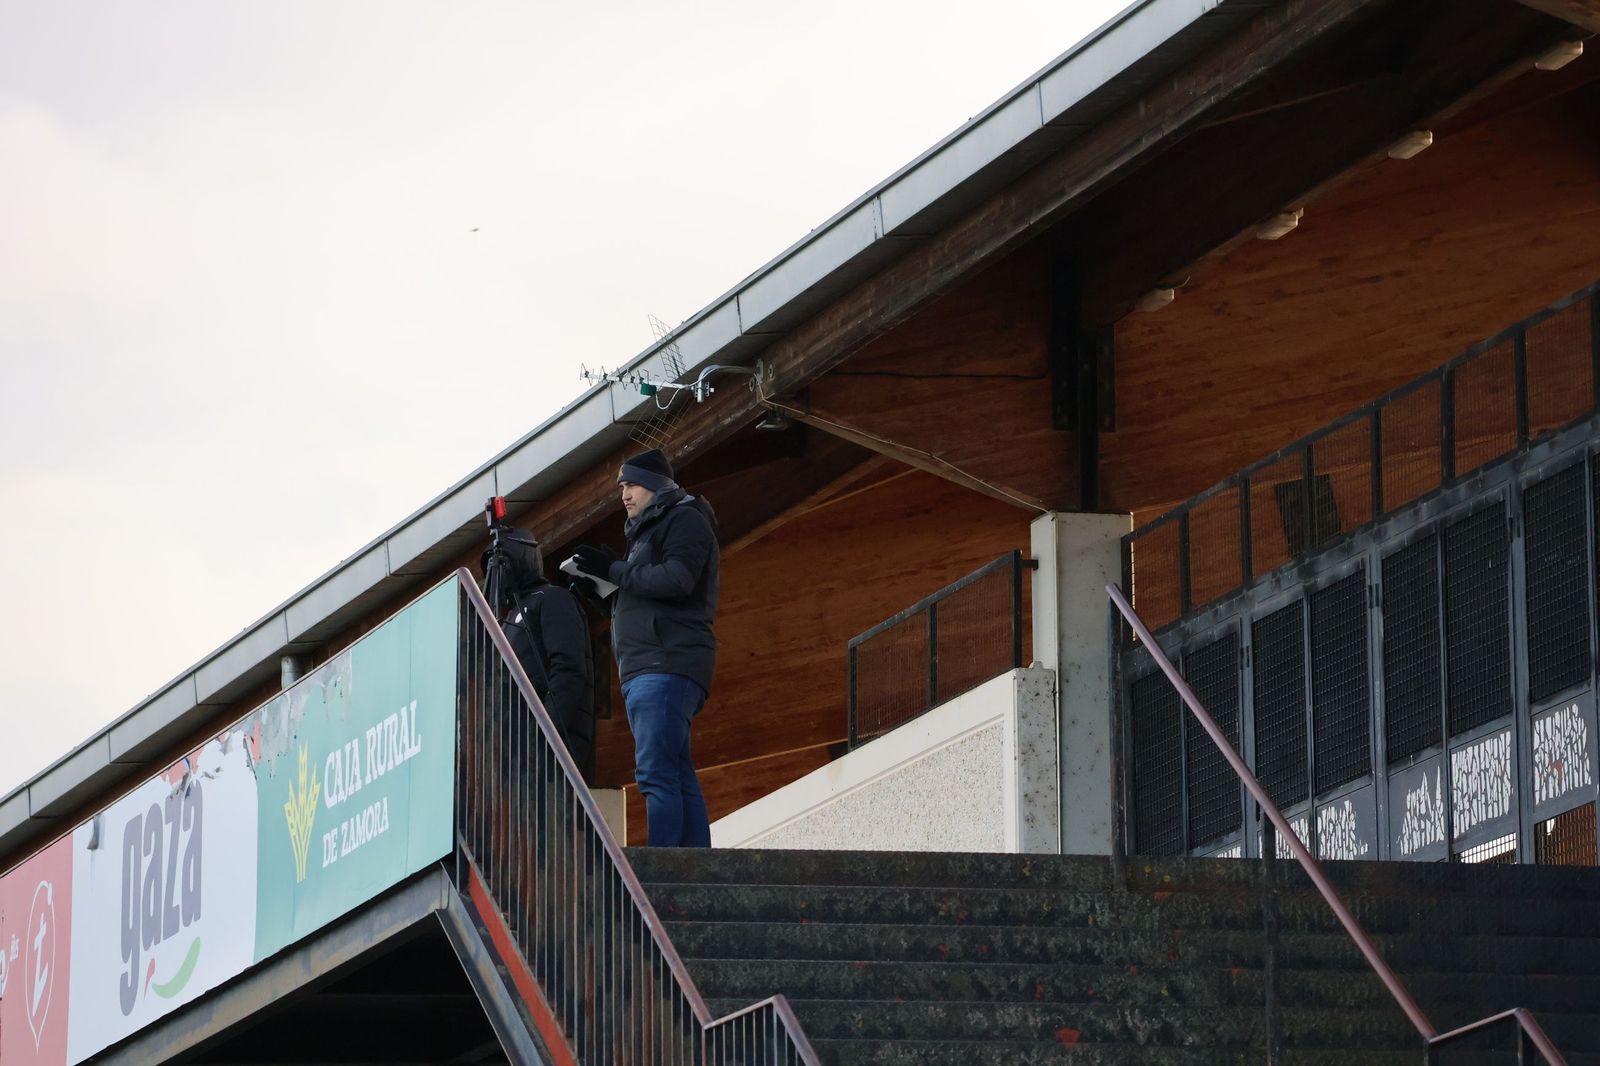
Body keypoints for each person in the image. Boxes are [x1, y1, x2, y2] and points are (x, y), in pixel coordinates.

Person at [574, 447, 718, 847]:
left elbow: (676, 580)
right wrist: (598, 590)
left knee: (656, 772)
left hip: (665, 664)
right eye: (621, 486)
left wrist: (616, 571)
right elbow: (642, 595)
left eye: (632, 484)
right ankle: (693, 867)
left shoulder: (684, 519)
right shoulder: (646, 533)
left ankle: (665, 867)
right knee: (675, 770)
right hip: (650, 665)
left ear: (656, 486)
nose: (624, 494)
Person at [485, 527, 596, 782]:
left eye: (502, 565)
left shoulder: (553, 600)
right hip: (517, 749)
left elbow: (568, 669)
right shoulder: (507, 619)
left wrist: (544, 732)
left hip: (552, 745)